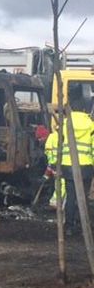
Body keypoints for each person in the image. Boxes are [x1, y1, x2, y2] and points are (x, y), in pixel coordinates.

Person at [45, 98, 94, 235]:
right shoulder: (91, 125)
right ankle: (83, 225)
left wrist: (56, 164)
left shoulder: (65, 124)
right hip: (86, 167)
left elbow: (59, 145)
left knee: (71, 196)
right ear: (85, 110)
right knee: (83, 196)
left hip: (68, 166)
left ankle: (69, 226)